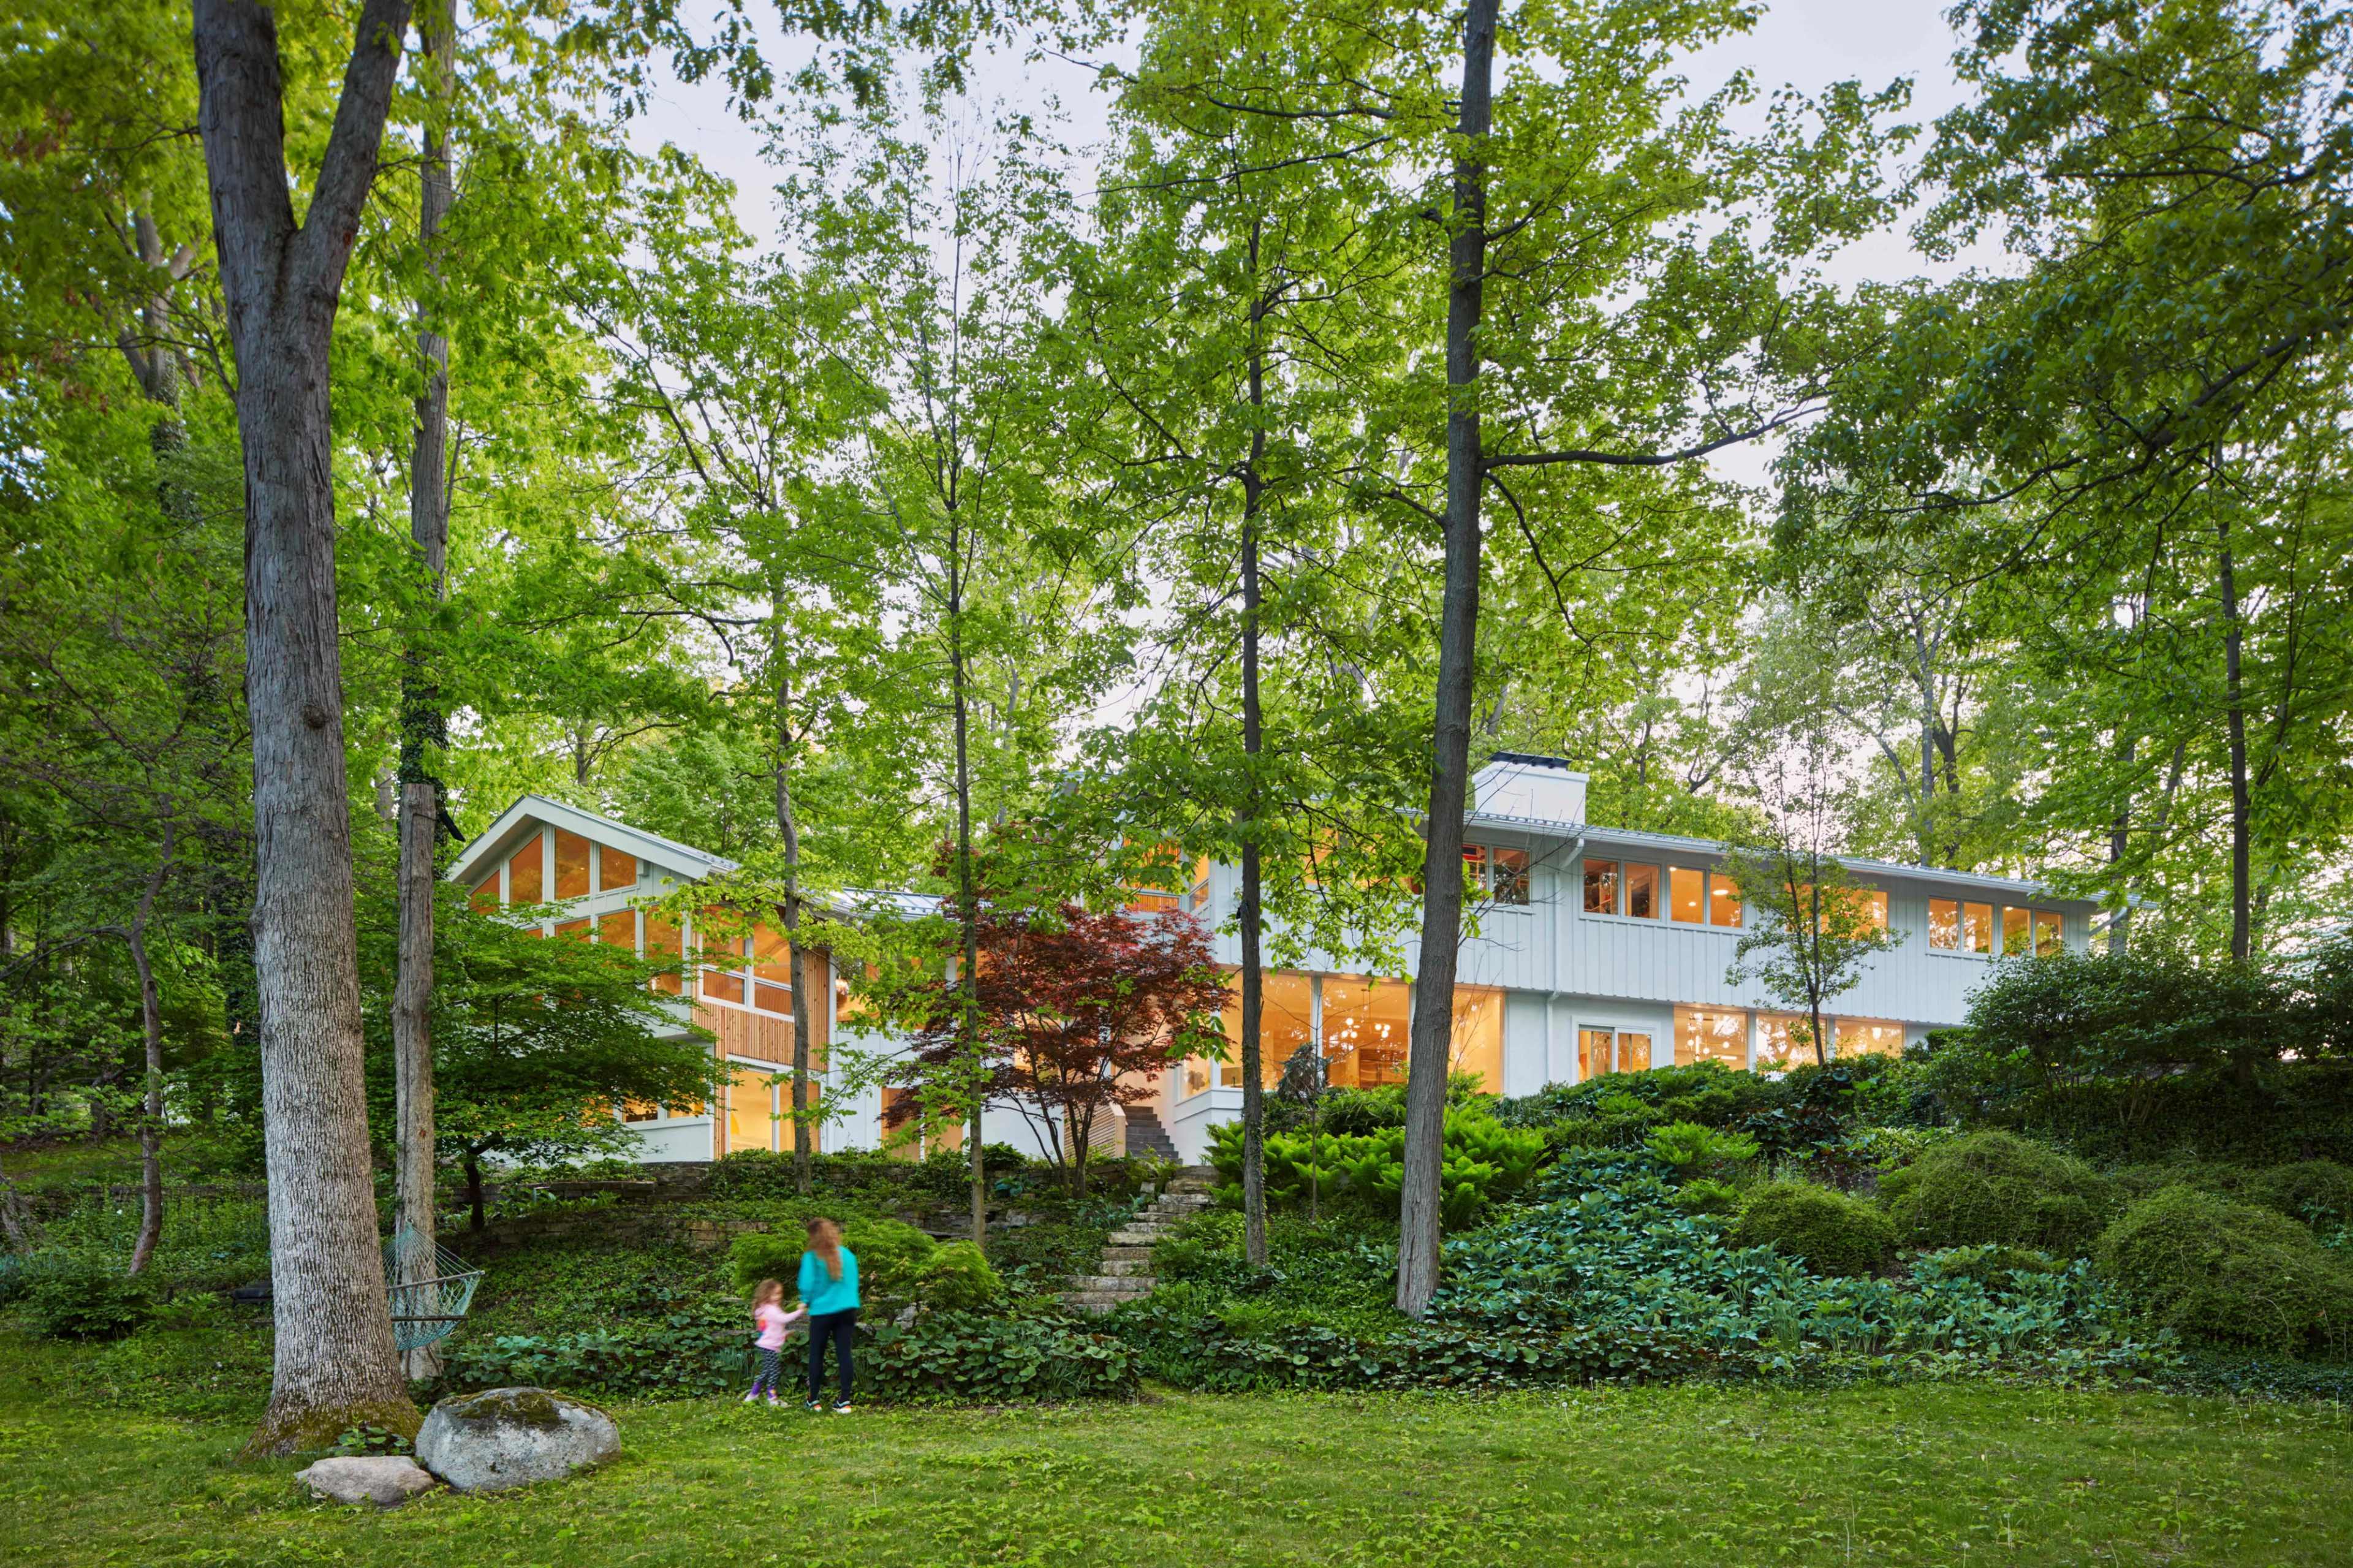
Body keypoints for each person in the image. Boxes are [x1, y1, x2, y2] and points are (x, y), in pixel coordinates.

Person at [797, 1216, 860, 1413]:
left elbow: (807, 1285)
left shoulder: (812, 1257)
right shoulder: (848, 1255)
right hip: (848, 1310)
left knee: (817, 1354)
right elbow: (854, 1283)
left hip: (823, 1312)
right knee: (844, 1354)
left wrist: (806, 1300)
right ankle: (845, 1401)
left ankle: (813, 1400)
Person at [743, 1278, 803, 1406]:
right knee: (775, 1371)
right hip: (768, 1346)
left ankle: (753, 1395)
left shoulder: (768, 1308)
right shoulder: (771, 1309)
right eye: (775, 1294)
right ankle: (772, 1398)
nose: (778, 1297)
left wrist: (784, 1335)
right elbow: (783, 1319)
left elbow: (773, 1327)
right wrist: (800, 1311)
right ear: (766, 1294)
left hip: (767, 1345)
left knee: (767, 1371)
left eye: (780, 1294)